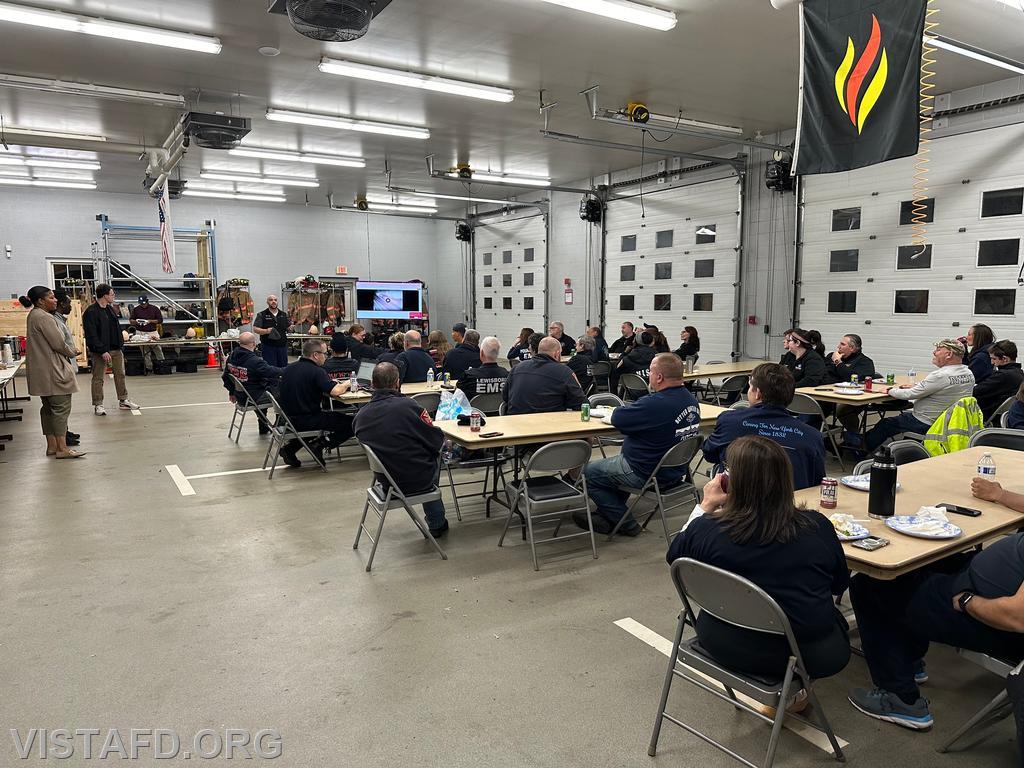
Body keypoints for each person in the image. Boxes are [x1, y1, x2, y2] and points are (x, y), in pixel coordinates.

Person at [846, 475, 1024, 731]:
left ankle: (900, 698)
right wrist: (1001, 495)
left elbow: (1017, 617)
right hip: (985, 585)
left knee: (870, 586)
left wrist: (968, 602)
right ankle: (907, 658)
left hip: (991, 616)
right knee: (922, 563)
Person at [668, 436, 850, 683]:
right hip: (801, 654)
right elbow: (839, 585)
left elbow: (675, 557)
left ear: (732, 482)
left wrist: (706, 504)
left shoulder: (706, 530)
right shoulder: (817, 528)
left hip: (721, 639)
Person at [580, 353, 701, 535]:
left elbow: (619, 418)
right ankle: (606, 516)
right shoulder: (691, 401)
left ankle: (625, 522)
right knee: (610, 469)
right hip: (674, 471)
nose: (648, 376)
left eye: (650, 372)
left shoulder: (654, 404)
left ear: (659, 377)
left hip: (643, 471)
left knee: (585, 473)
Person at [353, 362, 450, 537]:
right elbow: (435, 440)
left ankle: (436, 520)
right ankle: (436, 522)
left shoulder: (360, 417)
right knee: (436, 454)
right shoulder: (410, 407)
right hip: (416, 480)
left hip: (385, 481)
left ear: (373, 384)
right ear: (397, 383)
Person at [702, 363, 825, 490]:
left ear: (757, 393)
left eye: (750, 387)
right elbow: (817, 481)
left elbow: (710, 454)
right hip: (791, 504)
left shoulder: (730, 421)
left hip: (739, 503)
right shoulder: (812, 436)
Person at [864, 340, 975, 452]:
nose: (934, 352)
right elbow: (943, 387)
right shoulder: (968, 373)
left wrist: (889, 390)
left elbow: (909, 394)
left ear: (949, 354)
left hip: (925, 422)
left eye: (938, 350)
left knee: (886, 424)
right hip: (950, 422)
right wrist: (917, 385)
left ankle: (861, 449)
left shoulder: (940, 375)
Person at [23, 286, 84, 459]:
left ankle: (52, 446)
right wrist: (73, 352)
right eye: (51, 297)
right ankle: (62, 448)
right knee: (61, 409)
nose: (55, 300)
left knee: (48, 409)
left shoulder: (33, 316)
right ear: (41, 301)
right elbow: (58, 343)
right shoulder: (44, 318)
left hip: (42, 372)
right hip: (53, 371)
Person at [275, 339, 354, 467]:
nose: (326, 356)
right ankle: (320, 444)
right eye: (325, 353)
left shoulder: (290, 368)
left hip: (288, 419)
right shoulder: (316, 371)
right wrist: (348, 383)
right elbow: (335, 392)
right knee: (354, 423)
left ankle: (289, 450)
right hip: (307, 419)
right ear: (315, 355)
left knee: (323, 419)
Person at [82, 283, 138, 416]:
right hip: (100, 351)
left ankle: (123, 400)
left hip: (116, 349)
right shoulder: (91, 312)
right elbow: (91, 334)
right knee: (98, 378)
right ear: (105, 295)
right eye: (112, 294)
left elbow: (115, 329)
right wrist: (102, 350)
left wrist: (120, 345)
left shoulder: (110, 309)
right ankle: (98, 404)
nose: (114, 296)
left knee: (120, 375)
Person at [221, 331, 286, 435]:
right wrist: (290, 369)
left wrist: (232, 392)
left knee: (263, 387)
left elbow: (225, 377)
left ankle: (263, 426)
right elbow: (272, 372)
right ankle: (280, 426)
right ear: (253, 344)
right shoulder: (254, 361)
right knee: (285, 395)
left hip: (241, 396)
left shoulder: (231, 357)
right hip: (253, 397)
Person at [503, 336, 586, 415]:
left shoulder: (517, 368)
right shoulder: (564, 372)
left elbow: (505, 397)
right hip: (550, 424)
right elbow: (582, 403)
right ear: (557, 354)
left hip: (515, 423)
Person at [824, 334, 877, 437]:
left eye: (842, 344)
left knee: (843, 411)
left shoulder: (865, 362)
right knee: (813, 409)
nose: (838, 347)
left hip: (854, 398)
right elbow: (824, 373)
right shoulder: (831, 356)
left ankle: (853, 440)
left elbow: (852, 378)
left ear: (852, 348)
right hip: (829, 394)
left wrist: (838, 363)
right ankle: (824, 439)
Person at [51, 290, 81, 447]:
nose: (70, 306)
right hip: (62, 367)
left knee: (65, 405)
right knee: (62, 406)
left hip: (66, 365)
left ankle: (65, 431)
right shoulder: (54, 321)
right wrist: (72, 351)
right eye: (69, 303)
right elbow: (60, 344)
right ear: (61, 304)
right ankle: (62, 437)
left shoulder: (60, 320)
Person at [973, 340, 1023, 422]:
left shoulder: (1002, 376)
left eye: (994, 359)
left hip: (986, 417)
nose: (992, 362)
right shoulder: (1019, 373)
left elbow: (975, 391)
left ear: (1005, 359)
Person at [252, 294, 290, 367]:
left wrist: (291, 327)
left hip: (282, 346)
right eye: (271, 300)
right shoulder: (261, 314)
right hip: (268, 346)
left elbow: (288, 327)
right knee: (270, 367)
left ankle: (282, 378)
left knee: (283, 366)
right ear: (267, 302)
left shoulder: (283, 314)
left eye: (275, 300)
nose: (273, 302)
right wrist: (266, 331)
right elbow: (255, 329)